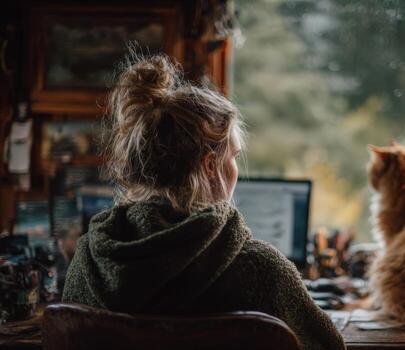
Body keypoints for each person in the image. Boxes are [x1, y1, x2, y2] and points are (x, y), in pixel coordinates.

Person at [62, 53, 346, 350]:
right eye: (233, 157)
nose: (235, 169)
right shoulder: (261, 270)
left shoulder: (87, 262)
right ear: (210, 166)